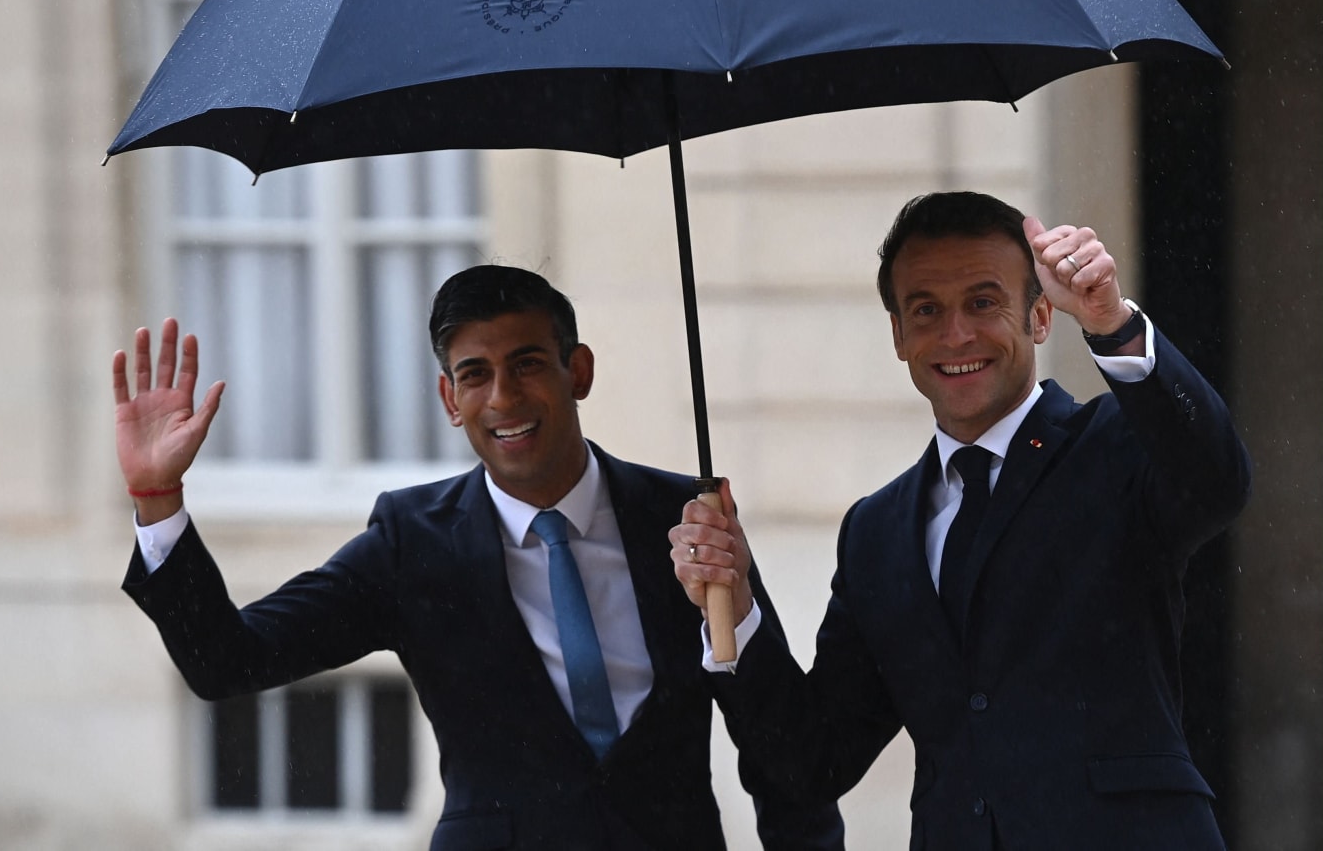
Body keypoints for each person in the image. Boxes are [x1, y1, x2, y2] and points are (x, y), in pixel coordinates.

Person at [114, 264, 842, 851]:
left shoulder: (686, 516)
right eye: (475, 374)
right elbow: (228, 660)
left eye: (527, 364)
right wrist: (157, 496)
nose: (503, 397)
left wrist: (736, 607)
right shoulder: (413, 542)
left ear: (577, 369)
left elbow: (786, 754)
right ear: (448, 397)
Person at [671, 192, 1252, 850]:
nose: (955, 335)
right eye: (926, 310)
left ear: (1039, 315)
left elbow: (1217, 480)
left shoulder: (1117, 446)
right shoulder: (877, 531)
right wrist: (738, 607)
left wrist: (1111, 322)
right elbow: (811, 761)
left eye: (982, 302)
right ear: (898, 335)